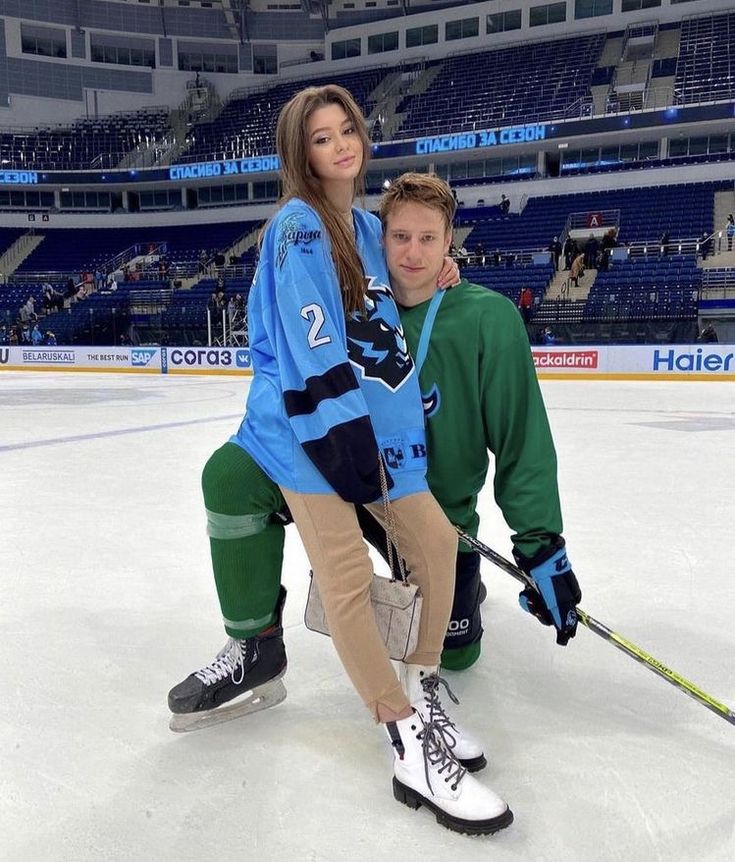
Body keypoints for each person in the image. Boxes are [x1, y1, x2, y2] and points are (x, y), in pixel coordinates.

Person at [168, 85, 512, 835]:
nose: (340, 145)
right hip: (310, 434)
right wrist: (335, 435)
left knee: (434, 546)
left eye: (346, 129)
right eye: (321, 138)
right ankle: (402, 738)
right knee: (349, 577)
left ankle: (420, 694)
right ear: (302, 153)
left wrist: (435, 274)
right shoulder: (298, 227)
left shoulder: (365, 222)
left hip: (376, 435)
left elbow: (394, 292)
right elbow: (310, 339)